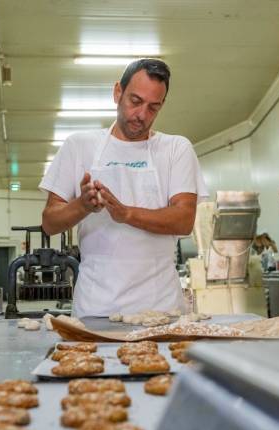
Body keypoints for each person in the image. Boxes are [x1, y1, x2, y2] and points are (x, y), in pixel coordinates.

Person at [39, 59, 208, 318]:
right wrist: (82, 206)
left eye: (153, 107)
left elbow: (184, 220)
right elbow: (50, 222)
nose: (141, 115)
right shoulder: (79, 146)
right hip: (96, 309)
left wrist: (126, 214)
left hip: (160, 309)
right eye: (135, 101)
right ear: (117, 92)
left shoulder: (176, 149)